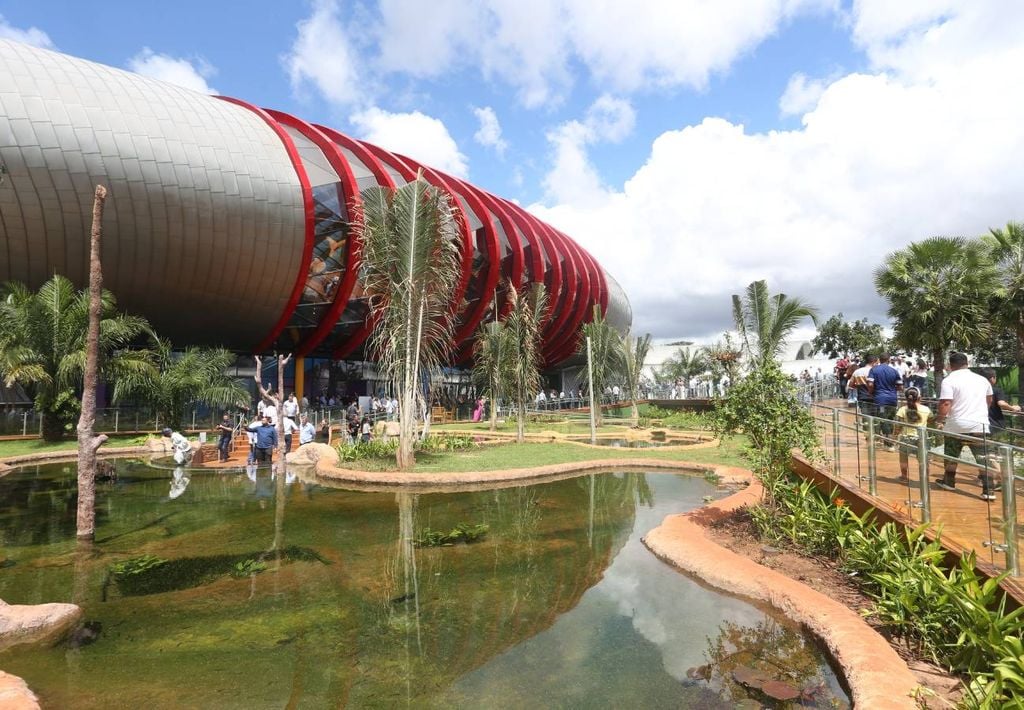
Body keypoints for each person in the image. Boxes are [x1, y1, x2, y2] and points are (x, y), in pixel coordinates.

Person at [934, 352, 996, 500]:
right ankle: (988, 490)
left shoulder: (949, 380)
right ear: (966, 363)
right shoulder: (982, 380)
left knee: (951, 456)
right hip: (979, 425)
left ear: (950, 365)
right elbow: (989, 400)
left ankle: (949, 482)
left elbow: (946, 403)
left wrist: (939, 420)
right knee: (983, 458)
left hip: (956, 425)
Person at [894, 387, 932, 481]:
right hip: (922, 438)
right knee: (923, 460)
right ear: (920, 397)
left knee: (903, 458)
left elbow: (898, 425)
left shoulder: (902, 409)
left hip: (906, 438)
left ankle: (904, 476)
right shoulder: (926, 409)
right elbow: (931, 421)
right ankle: (924, 479)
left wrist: (895, 435)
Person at [868, 353, 903, 447]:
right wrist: (892, 389)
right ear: (889, 360)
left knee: (883, 419)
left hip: (880, 400)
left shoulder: (874, 370)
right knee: (891, 419)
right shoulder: (894, 371)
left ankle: (888, 442)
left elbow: (870, 384)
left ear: (879, 359)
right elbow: (900, 387)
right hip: (892, 400)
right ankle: (889, 439)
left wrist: (871, 393)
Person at [980, 368, 1021, 436]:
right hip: (995, 425)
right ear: (993, 378)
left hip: (979, 425)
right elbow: (1001, 403)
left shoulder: (974, 391)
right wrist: (1013, 408)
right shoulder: (996, 390)